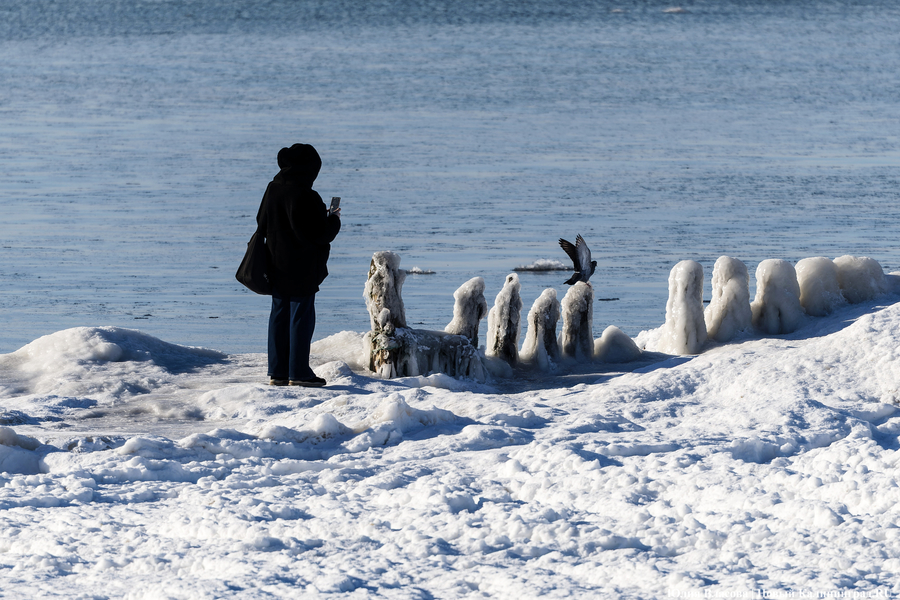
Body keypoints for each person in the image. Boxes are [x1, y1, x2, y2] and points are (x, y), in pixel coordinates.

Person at [257, 143, 341, 386]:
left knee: (279, 315)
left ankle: (278, 372)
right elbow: (319, 233)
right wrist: (333, 219)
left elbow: (261, 220)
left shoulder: (272, 189)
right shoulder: (307, 195)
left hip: (275, 261)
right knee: (301, 317)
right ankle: (299, 373)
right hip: (302, 265)